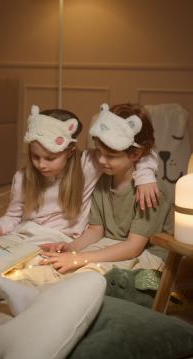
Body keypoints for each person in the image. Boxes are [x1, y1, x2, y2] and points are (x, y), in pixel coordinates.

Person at [0, 104, 158, 313]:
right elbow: (13, 217)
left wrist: (146, 176)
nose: (41, 164)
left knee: (10, 273)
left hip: (56, 242)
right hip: (22, 233)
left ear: (70, 151)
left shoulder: (90, 165)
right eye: (35, 157)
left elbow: (133, 151)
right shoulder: (23, 178)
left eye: (50, 158)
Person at [41, 103, 173, 275]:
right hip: (113, 244)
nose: (101, 161)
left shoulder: (151, 192)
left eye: (110, 156)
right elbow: (96, 230)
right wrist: (70, 248)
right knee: (67, 269)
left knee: (91, 273)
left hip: (148, 255)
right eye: (98, 152)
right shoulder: (103, 179)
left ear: (135, 154)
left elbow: (134, 247)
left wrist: (81, 258)